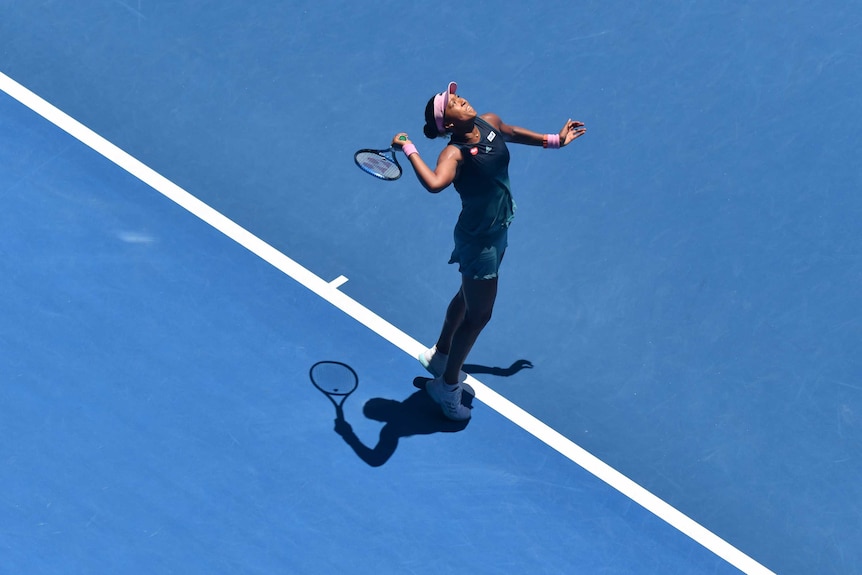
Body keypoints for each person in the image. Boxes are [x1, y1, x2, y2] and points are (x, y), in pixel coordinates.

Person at [392, 81, 586, 421]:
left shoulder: (488, 121)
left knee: (468, 297)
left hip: (497, 228)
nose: (460, 98)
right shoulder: (453, 153)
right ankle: (447, 386)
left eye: (457, 94)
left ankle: (440, 355)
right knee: (479, 315)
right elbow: (436, 183)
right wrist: (409, 148)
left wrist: (554, 140)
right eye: (452, 102)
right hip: (478, 240)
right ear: (449, 125)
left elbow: (511, 132)